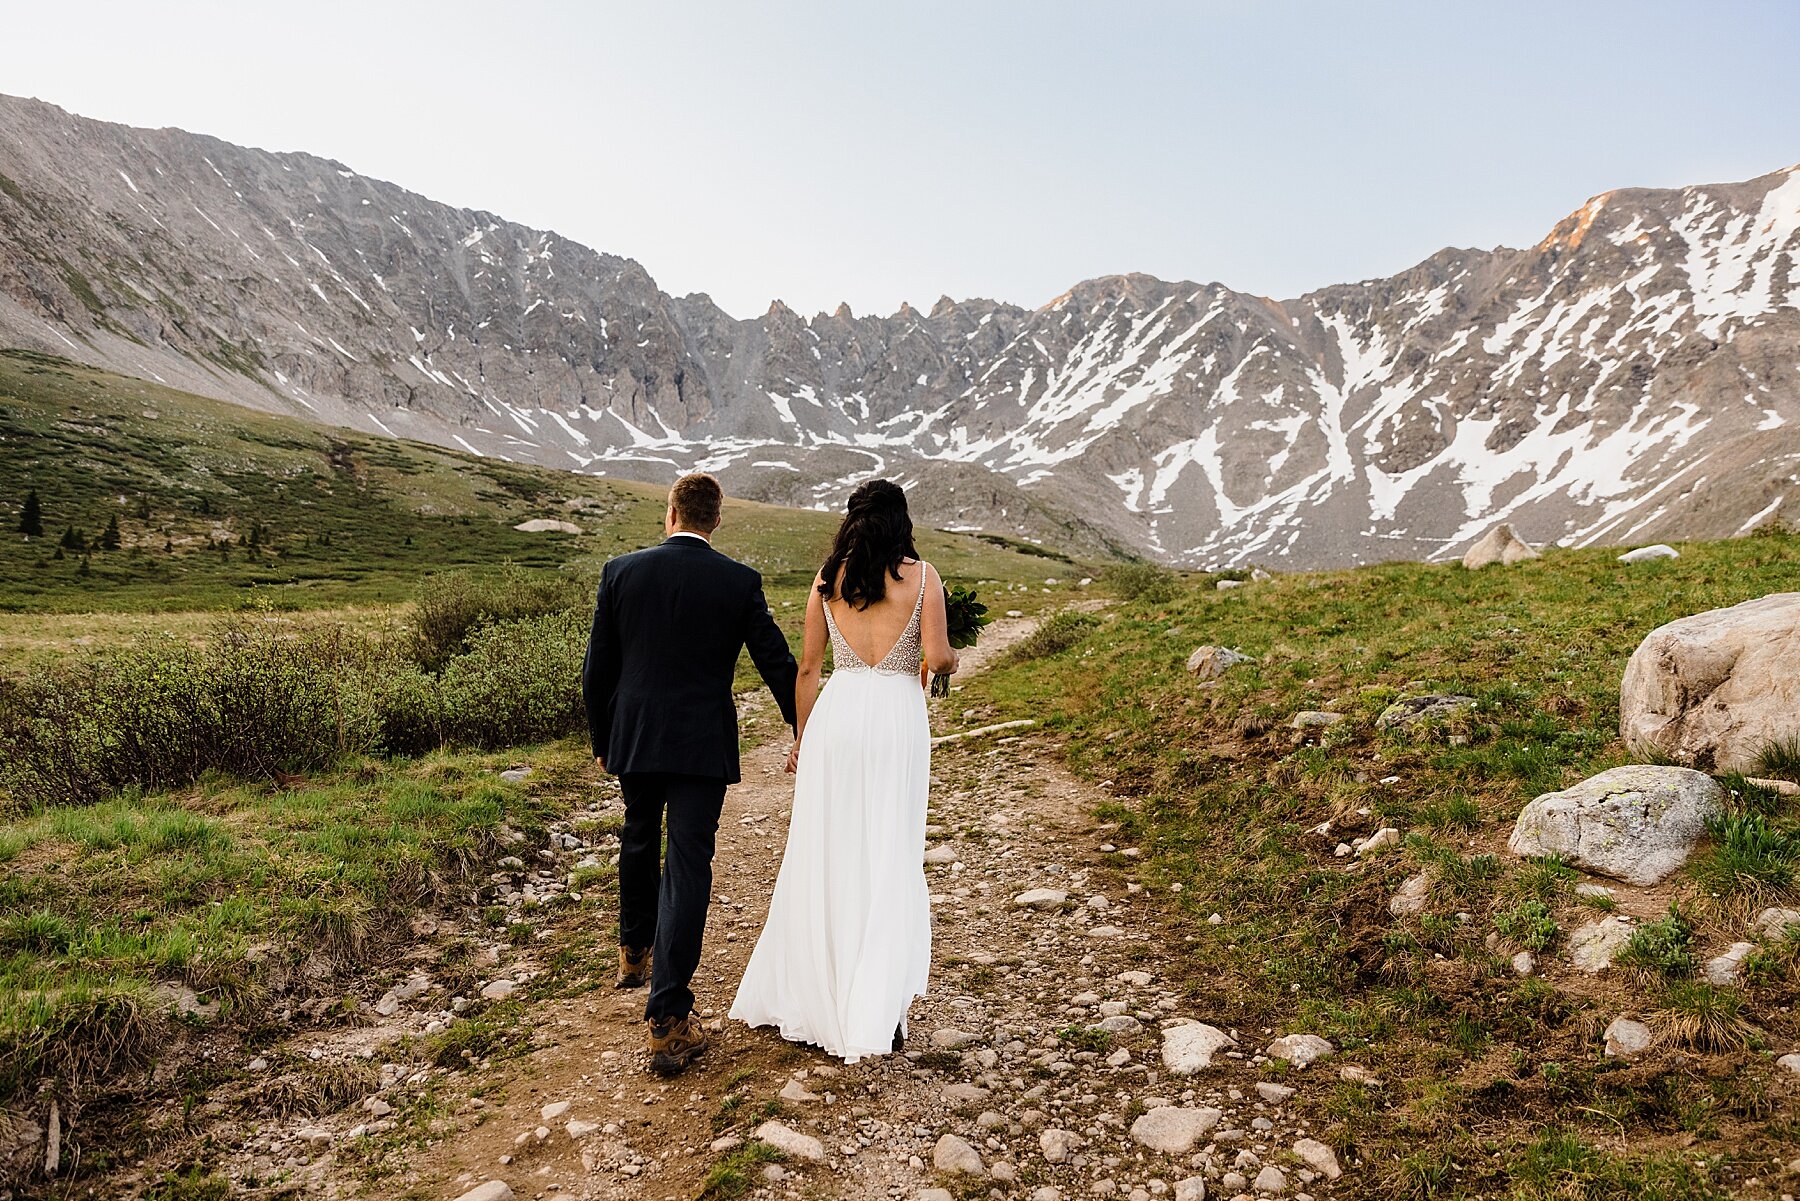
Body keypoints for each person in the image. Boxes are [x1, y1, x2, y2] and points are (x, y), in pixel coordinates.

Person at [730, 478, 958, 1062]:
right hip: (895, 719)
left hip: (839, 715)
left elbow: (808, 667)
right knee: (888, 850)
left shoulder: (828, 580)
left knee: (826, 851)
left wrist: (802, 738)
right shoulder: (924, 577)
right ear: (900, 521)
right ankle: (879, 1006)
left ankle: (819, 991)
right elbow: (936, 660)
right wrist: (953, 654)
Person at [582, 472, 799, 1076]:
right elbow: (776, 661)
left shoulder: (621, 571)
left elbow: (597, 668)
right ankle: (668, 1018)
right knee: (687, 863)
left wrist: (604, 738)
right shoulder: (738, 582)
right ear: (716, 520)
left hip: (637, 734)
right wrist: (803, 725)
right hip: (701, 742)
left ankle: (633, 952)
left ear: (670, 512)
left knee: (638, 833)